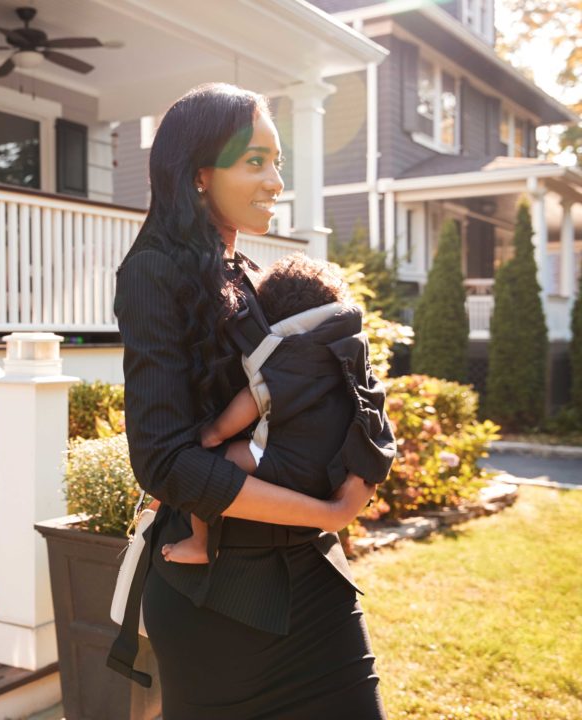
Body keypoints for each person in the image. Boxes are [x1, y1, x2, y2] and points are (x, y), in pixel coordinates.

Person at [111, 83, 396, 720]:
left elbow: (337, 379)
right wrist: (328, 510)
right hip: (221, 601)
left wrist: (362, 467)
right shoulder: (153, 271)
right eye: (255, 161)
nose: (276, 180)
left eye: (278, 161)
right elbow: (164, 461)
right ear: (200, 175)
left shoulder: (248, 272)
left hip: (312, 581)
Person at [160, 254, 383, 565]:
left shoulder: (283, 358)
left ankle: (201, 542)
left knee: (205, 469)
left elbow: (251, 401)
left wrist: (212, 434)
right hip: (338, 469)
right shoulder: (347, 351)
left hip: (287, 463)